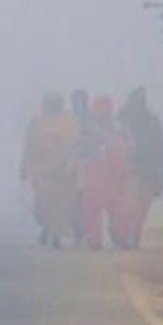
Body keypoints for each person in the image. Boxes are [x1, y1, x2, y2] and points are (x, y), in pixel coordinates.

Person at [117, 87, 163, 249]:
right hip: (130, 167)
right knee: (131, 204)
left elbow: (160, 145)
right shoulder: (121, 120)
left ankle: (135, 234)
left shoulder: (152, 121)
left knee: (144, 205)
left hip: (149, 169)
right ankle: (126, 234)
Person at [20, 93, 77, 248]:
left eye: (56, 103)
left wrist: (71, 164)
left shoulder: (68, 121)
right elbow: (29, 145)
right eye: (51, 103)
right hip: (40, 171)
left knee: (60, 205)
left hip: (62, 172)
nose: (53, 106)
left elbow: (73, 145)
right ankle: (46, 227)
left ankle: (56, 234)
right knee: (42, 204)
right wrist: (24, 167)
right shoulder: (37, 121)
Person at [77, 95, 133, 249]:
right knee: (94, 211)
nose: (103, 114)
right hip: (94, 176)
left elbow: (128, 149)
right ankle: (95, 241)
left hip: (114, 176)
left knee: (118, 210)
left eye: (106, 110)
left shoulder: (119, 128)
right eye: (100, 110)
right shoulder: (87, 129)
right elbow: (80, 149)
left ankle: (120, 238)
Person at [70, 89, 92, 245]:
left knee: (83, 198)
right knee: (71, 198)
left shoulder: (90, 120)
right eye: (76, 101)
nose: (78, 104)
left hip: (87, 163)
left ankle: (82, 229)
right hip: (70, 163)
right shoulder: (68, 119)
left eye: (81, 101)